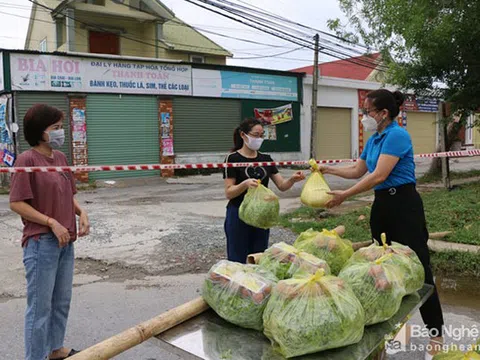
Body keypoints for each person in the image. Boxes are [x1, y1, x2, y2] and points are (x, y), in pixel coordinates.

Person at [320, 89, 444, 360]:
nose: (365, 116)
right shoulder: (374, 138)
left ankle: (436, 335)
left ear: (383, 113)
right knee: (380, 272)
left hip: (404, 206)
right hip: (382, 208)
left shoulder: (397, 135)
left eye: (367, 111)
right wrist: (327, 169)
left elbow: (379, 175)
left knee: (421, 270)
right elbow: (358, 170)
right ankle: (386, 337)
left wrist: (345, 195)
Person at [9, 104, 90, 360]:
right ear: (40, 131)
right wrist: (50, 222)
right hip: (41, 243)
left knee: (61, 302)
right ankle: (35, 356)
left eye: (60, 127)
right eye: (55, 127)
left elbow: (68, 195)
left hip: (66, 242)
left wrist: (81, 213)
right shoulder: (27, 160)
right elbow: (16, 202)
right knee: (39, 308)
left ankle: (55, 349)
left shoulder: (62, 159)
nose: (60, 132)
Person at [223, 118, 305, 263]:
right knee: (237, 259)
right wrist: (245, 184)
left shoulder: (266, 159)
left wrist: (292, 179)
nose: (259, 139)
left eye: (262, 135)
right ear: (243, 135)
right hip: (238, 214)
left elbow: (282, 186)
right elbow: (229, 192)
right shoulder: (232, 159)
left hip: (261, 215)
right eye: (255, 135)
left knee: (258, 258)